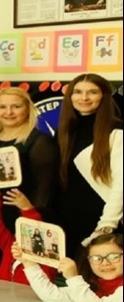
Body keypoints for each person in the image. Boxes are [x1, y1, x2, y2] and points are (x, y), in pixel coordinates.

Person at [0, 87, 59, 274]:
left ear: (27, 109)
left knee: (26, 278)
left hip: (25, 221)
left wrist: (33, 223)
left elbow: (46, 190)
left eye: (16, 106)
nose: (9, 112)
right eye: (2, 107)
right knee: (0, 275)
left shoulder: (39, 142)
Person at [56, 74, 123, 259]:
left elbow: (121, 184)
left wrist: (106, 225)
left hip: (102, 222)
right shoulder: (64, 132)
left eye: (92, 92)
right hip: (67, 222)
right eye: (78, 92)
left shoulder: (117, 131)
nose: (84, 98)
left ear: (104, 96)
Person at [12, 233, 122, 302]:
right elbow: (51, 295)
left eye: (113, 257)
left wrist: (73, 278)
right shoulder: (96, 283)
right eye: (96, 258)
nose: (105, 263)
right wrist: (28, 262)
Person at [0, 176, 57, 284]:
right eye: (20, 226)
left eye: (26, 229)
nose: (21, 232)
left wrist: (28, 209)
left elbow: (36, 232)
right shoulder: (11, 245)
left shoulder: (49, 261)